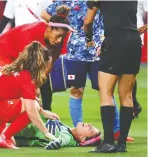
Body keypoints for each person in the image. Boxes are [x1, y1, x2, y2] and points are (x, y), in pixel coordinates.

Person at [41, 0, 125, 139]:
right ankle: (79, 131)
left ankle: (116, 131)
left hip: (98, 51)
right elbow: (44, 13)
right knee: (76, 91)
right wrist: (63, 26)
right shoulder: (67, 1)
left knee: (106, 90)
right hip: (75, 53)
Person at [84, 1, 142, 153]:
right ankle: (121, 144)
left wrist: (89, 38)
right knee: (127, 95)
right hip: (134, 41)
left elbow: (88, 21)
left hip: (115, 41)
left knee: (106, 92)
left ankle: (108, 142)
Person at [0, 5, 71, 77]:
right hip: (0, 50)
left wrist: (38, 84)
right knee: (3, 85)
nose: (59, 40)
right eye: (58, 36)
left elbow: (50, 64)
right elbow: (22, 67)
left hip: (18, 55)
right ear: (49, 28)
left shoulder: (59, 38)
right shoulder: (30, 35)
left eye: (62, 37)